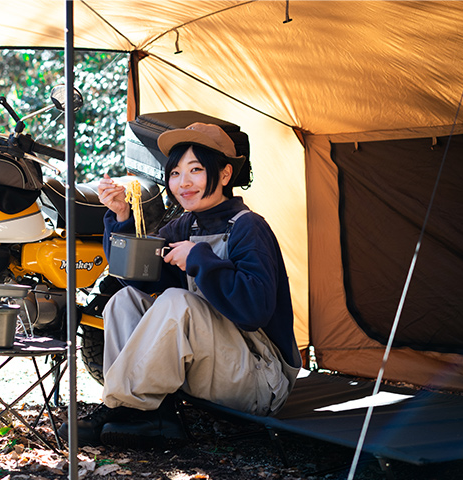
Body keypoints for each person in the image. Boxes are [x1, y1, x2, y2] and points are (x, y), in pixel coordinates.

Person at [65, 122, 301, 449]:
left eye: (196, 170)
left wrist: (198, 257)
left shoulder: (249, 228)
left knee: (178, 301)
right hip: (209, 370)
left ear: (225, 174)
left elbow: (254, 312)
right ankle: (153, 415)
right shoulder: (185, 225)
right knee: (124, 301)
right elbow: (139, 274)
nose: (183, 182)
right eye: (175, 173)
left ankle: (119, 408)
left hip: (259, 380)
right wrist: (121, 217)